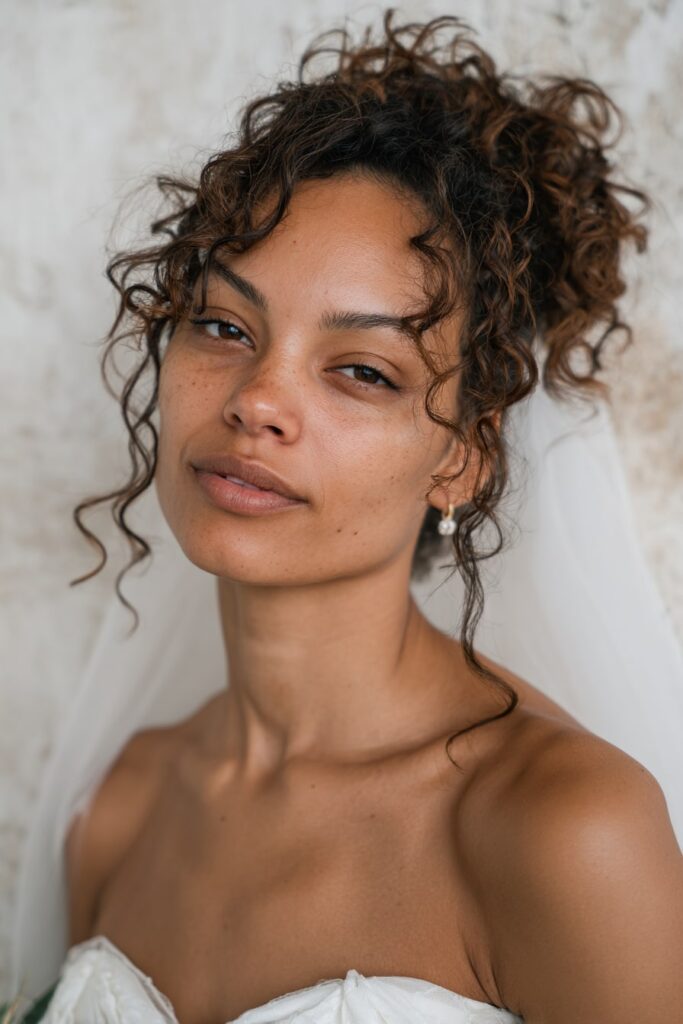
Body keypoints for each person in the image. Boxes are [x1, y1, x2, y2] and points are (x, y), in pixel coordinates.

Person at [7, 9, 683, 1023]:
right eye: (223, 325)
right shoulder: (122, 807)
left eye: (361, 370)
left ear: (461, 456)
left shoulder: (558, 830)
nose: (256, 401)